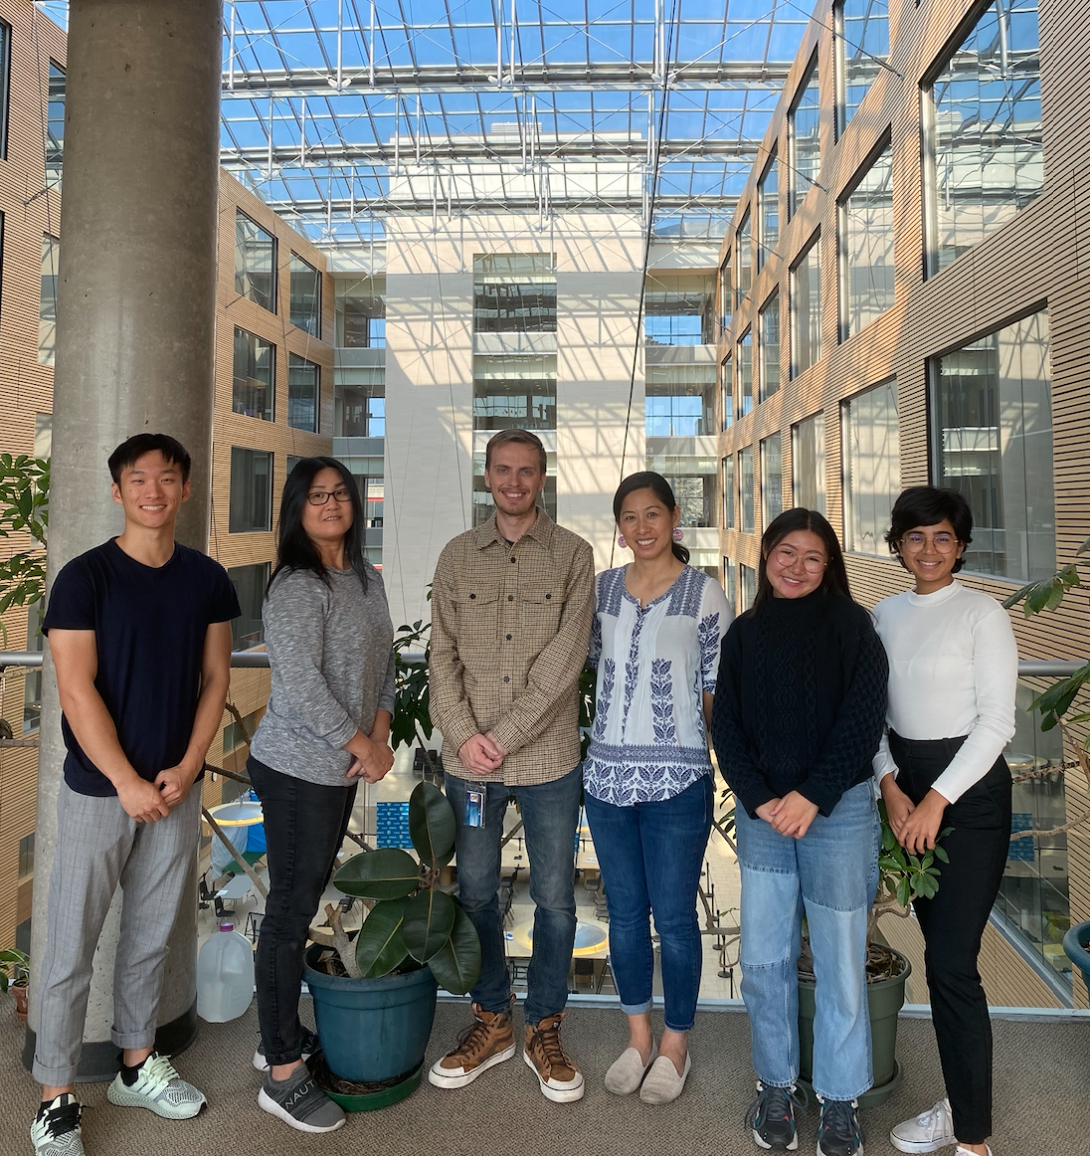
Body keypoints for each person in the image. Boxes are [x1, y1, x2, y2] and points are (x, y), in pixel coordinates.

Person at [32, 434, 239, 1156]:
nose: (154, 490)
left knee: (152, 937)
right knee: (69, 947)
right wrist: (123, 780)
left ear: (185, 490)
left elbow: (216, 680)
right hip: (100, 791)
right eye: (139, 479)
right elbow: (73, 685)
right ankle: (55, 1099)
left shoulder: (207, 579)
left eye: (168, 478)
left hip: (173, 790)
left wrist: (186, 769)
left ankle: (135, 1066)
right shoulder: (84, 579)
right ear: (118, 492)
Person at [710, 508, 888, 1156]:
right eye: (787, 553)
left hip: (835, 816)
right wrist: (761, 801)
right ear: (765, 557)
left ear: (829, 565)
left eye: (812, 557)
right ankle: (777, 1086)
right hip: (765, 821)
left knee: (840, 963)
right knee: (763, 961)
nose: (797, 567)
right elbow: (726, 727)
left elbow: (862, 725)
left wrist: (810, 796)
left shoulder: (853, 628)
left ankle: (840, 1101)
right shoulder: (745, 635)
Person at [428, 428, 594, 1103]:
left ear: (542, 479)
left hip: (549, 760)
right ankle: (493, 1020)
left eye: (527, 472)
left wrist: (504, 733)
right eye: (504, 470)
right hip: (471, 767)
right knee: (474, 894)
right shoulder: (456, 556)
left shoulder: (574, 556)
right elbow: (441, 657)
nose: (515, 482)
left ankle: (545, 1025)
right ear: (487, 475)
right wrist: (467, 737)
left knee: (555, 900)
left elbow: (566, 660)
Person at [247, 457, 396, 1133]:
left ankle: (278, 1033)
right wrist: (362, 745)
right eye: (316, 496)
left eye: (340, 493)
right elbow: (301, 685)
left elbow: (387, 661)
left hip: (336, 769)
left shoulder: (365, 577)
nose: (331, 504)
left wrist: (384, 729)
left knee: (301, 903)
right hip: (295, 768)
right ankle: (280, 1069)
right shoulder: (297, 585)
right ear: (296, 509)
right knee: (289, 911)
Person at [582, 472, 732, 1104]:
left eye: (653, 515)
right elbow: (586, 666)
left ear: (674, 518)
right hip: (606, 777)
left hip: (678, 779)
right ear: (619, 527)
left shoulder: (706, 595)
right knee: (623, 915)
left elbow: (715, 693)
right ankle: (637, 1035)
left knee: (673, 919)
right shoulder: (601, 591)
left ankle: (676, 1043)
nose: (641, 528)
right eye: (629, 518)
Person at [875, 487, 1015, 1156]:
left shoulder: (982, 614)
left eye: (943, 538)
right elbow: (870, 717)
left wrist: (938, 799)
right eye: (915, 537)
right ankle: (961, 1106)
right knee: (939, 960)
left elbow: (996, 723)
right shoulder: (881, 615)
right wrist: (889, 786)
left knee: (954, 964)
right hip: (905, 790)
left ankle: (973, 1138)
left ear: (961, 546)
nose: (929, 549)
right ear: (897, 543)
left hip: (971, 797)